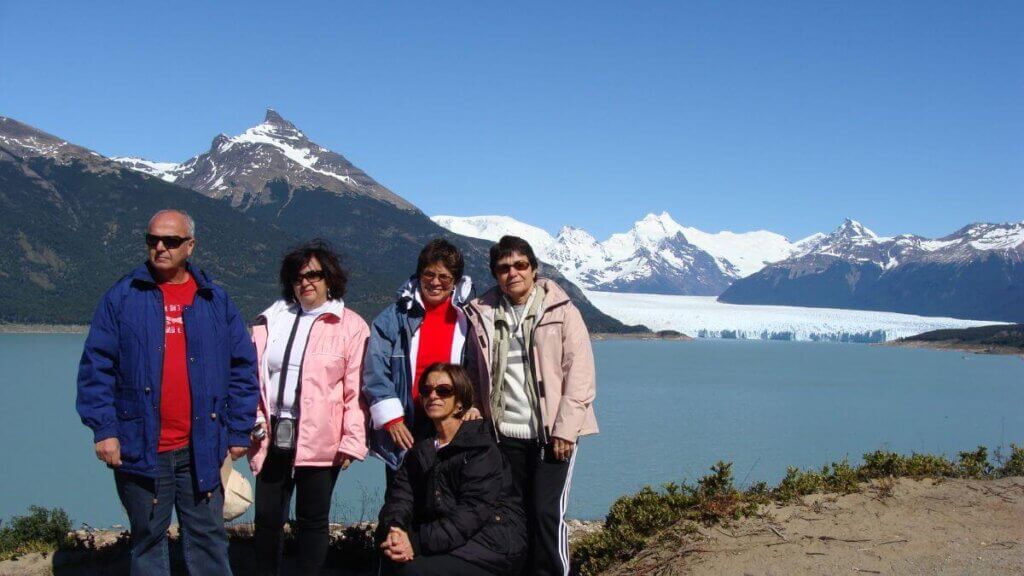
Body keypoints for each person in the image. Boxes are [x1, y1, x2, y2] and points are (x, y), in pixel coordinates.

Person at [76, 209, 259, 576]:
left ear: (190, 246)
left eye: (171, 241)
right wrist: (105, 430)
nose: (160, 247)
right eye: (152, 240)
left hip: (202, 447)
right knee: (147, 540)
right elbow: (96, 367)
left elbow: (243, 367)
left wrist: (239, 430)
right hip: (140, 445)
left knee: (208, 538)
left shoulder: (214, 300)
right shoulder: (122, 297)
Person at [463, 235, 598, 576]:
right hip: (505, 434)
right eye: (504, 268)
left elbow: (580, 376)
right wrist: (476, 407)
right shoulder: (482, 313)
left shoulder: (563, 311)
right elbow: (474, 371)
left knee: (545, 511)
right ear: (495, 274)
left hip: (552, 434)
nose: (513, 273)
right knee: (515, 512)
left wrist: (566, 430)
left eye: (520, 265)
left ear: (534, 269)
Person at [247, 240, 370, 576]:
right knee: (268, 518)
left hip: (322, 437)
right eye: (298, 277)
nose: (306, 283)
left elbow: (355, 390)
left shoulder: (350, 326)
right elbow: (253, 377)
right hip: (271, 431)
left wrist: (352, 440)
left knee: (312, 520)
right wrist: (252, 419)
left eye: (314, 275)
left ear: (330, 278)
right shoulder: (272, 318)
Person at [378, 363, 526, 575]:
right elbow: (401, 496)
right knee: (390, 554)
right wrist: (395, 528)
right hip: (449, 538)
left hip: (489, 543)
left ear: (460, 403)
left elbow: (472, 513)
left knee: (412, 570)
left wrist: (417, 542)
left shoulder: (479, 448)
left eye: (444, 391)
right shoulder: (422, 447)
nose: (434, 396)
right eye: (426, 391)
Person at [362, 239, 477, 472]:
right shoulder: (394, 317)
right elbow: (375, 369)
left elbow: (477, 368)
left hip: (450, 422)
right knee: (401, 498)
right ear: (419, 276)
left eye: (444, 276)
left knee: (446, 496)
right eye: (428, 274)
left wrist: (472, 405)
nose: (435, 282)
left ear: (455, 281)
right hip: (406, 423)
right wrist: (391, 419)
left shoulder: (469, 318)